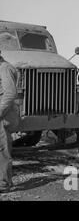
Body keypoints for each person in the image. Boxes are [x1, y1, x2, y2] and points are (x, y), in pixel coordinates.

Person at [0, 51, 19, 192]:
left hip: (3, 116)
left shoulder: (4, 68)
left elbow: (10, 93)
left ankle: (4, 184)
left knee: (3, 150)